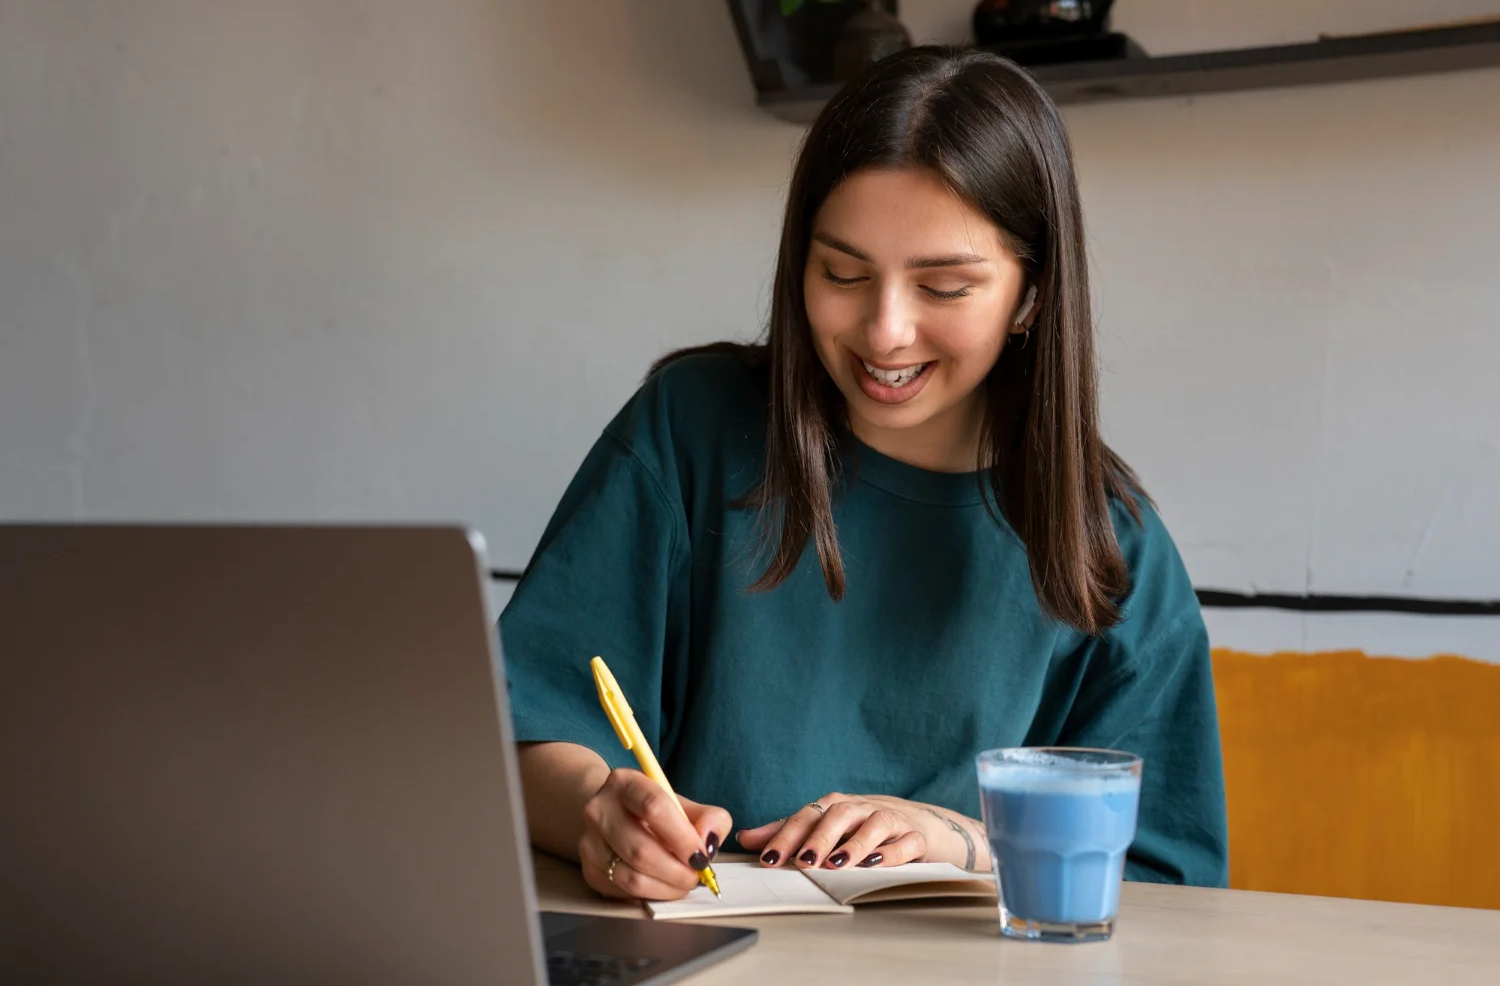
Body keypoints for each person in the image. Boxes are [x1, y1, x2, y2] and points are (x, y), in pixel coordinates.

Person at [500, 46, 1229, 902]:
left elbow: (1169, 886)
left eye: (945, 288)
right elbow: (518, 737)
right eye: (842, 273)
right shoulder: (691, 430)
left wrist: (960, 841)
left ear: (1031, 296)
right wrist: (598, 809)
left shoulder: (1111, 545)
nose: (884, 333)